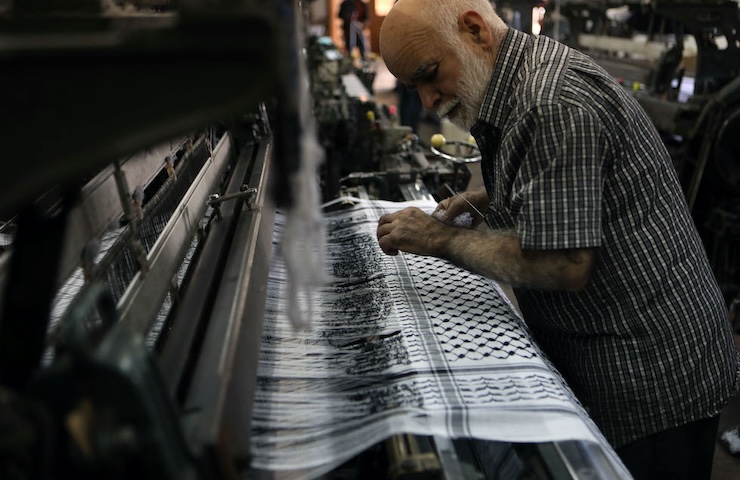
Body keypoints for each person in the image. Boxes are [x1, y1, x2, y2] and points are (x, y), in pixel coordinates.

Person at [375, 0, 740, 478]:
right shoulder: (521, 72)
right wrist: (489, 197)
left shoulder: (549, 101)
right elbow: (568, 174)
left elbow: (562, 262)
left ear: (473, 30)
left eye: (429, 74)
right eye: (413, 86)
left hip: (648, 372)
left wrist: (437, 239)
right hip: (627, 346)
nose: (425, 100)